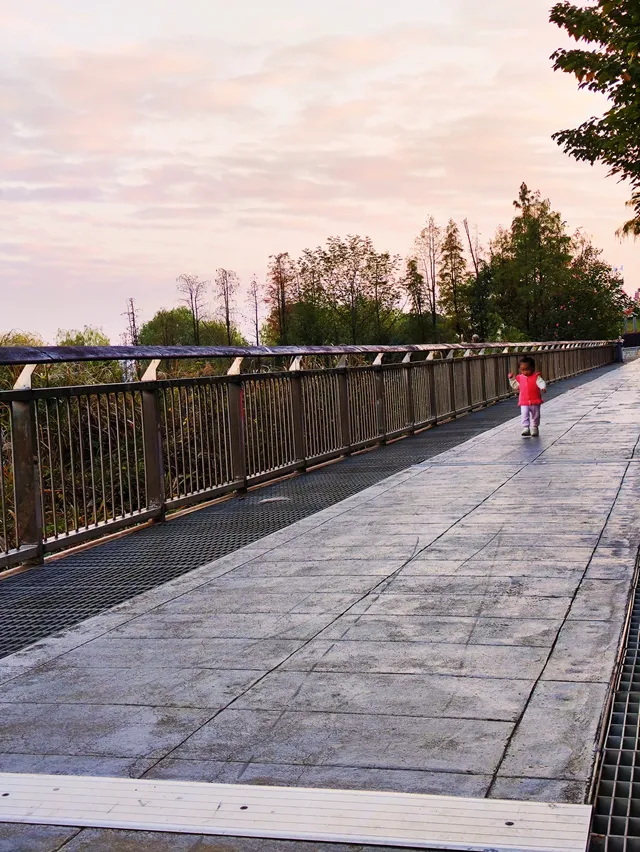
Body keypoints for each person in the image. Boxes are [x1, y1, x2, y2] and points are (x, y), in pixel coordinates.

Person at [508, 356, 547, 437]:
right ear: (519, 369)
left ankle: (535, 427)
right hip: (524, 401)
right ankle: (526, 427)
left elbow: (541, 382)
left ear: (533, 368)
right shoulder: (519, 378)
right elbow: (515, 386)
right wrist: (511, 379)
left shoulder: (536, 377)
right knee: (524, 414)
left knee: (536, 415)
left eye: (527, 369)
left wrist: (542, 387)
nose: (525, 372)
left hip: (535, 401)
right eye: (522, 370)